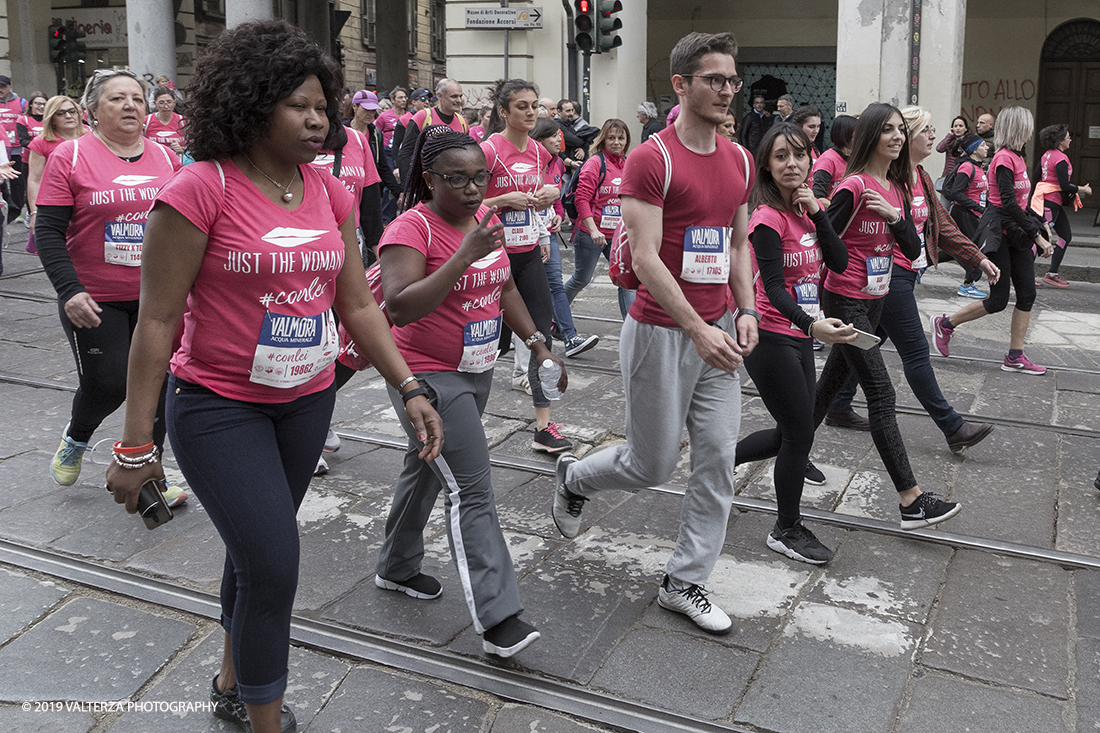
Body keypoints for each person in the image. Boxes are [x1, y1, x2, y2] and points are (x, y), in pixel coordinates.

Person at [104, 20, 442, 733]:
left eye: (324, 104)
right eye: (299, 104)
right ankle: (263, 719)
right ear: (253, 104)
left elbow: (355, 302)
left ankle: (231, 678)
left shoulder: (329, 192)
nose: (318, 118)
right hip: (218, 407)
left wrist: (410, 386)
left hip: (307, 402)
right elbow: (157, 323)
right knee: (275, 563)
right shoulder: (198, 190)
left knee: (255, 553)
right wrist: (137, 445)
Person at [553, 31, 758, 636]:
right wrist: (697, 328)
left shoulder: (741, 158)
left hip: (718, 331)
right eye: (714, 80)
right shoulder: (652, 159)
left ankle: (684, 581)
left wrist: (744, 309)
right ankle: (574, 477)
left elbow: (738, 243)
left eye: (732, 80)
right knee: (651, 465)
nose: (727, 90)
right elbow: (644, 259)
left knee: (719, 459)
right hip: (662, 333)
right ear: (681, 85)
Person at [375, 124, 562, 657]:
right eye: (458, 179)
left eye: (481, 177)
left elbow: (502, 286)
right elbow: (400, 305)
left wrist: (536, 343)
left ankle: (396, 566)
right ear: (430, 179)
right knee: (472, 487)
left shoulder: (484, 223)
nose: (475, 188)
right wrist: (463, 254)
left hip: (475, 367)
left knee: (427, 470)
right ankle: (499, 617)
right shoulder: (411, 229)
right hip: (423, 374)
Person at [35, 69, 185, 510]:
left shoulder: (165, 158)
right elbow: (47, 230)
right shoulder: (71, 155)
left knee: (160, 381)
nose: (130, 106)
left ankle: (148, 475)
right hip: (94, 297)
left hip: (158, 295)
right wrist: (69, 290)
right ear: (93, 110)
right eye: (117, 98)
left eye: (137, 98)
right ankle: (77, 437)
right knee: (109, 382)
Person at [813, 102, 961, 530]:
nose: (898, 137)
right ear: (871, 137)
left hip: (875, 300)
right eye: (889, 131)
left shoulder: (896, 188)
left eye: (901, 130)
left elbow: (913, 251)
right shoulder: (854, 187)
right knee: (882, 394)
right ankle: (911, 501)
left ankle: (783, 449)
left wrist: (896, 219)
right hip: (846, 303)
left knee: (828, 389)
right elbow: (825, 244)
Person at [824, 106, 1000, 455]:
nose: (933, 136)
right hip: (888, 274)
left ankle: (838, 405)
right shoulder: (885, 178)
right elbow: (831, 233)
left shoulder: (920, 176)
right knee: (916, 351)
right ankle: (952, 427)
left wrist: (977, 257)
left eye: (907, 131)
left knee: (863, 345)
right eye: (926, 130)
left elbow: (941, 226)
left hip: (905, 272)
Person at [736, 123, 856, 565]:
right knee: (800, 433)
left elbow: (839, 263)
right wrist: (812, 326)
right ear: (767, 164)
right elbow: (772, 286)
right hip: (770, 336)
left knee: (794, 430)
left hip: (801, 335)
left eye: (800, 155)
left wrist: (821, 214)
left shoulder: (805, 211)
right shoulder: (766, 218)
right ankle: (785, 528)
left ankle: (714, 466)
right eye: (781, 156)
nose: (792, 164)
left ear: (811, 159)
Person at [481, 79, 572, 453]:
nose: (532, 112)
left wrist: (551, 199)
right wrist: (502, 199)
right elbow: (465, 204)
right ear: (503, 112)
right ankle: (465, 417)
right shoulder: (487, 150)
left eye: (535, 106)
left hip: (529, 253)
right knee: (487, 343)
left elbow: (545, 196)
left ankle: (544, 426)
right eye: (522, 106)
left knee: (542, 340)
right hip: (491, 258)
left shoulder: (539, 151)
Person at [931, 106, 1054, 375]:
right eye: (1028, 124)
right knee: (998, 300)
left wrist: (1041, 225)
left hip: (1016, 234)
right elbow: (1007, 204)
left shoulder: (1019, 157)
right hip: (998, 232)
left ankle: (1015, 356)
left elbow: (1022, 204)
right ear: (1019, 127)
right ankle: (945, 323)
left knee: (1028, 294)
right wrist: (1038, 237)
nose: (1032, 130)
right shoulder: (1003, 159)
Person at [530, 118, 600, 356]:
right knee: (518, 291)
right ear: (539, 140)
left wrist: (559, 215)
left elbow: (557, 196)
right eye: (554, 137)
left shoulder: (558, 162)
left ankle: (570, 338)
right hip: (524, 236)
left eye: (560, 135)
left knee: (556, 286)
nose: (560, 140)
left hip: (548, 234)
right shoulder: (529, 162)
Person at [564, 117, 635, 319]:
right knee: (582, 279)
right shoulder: (594, 163)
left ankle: (631, 330)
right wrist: (594, 229)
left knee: (626, 281)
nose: (616, 142)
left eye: (621, 138)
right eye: (611, 137)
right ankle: (555, 315)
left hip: (618, 235)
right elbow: (581, 199)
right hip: (590, 233)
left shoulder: (628, 164)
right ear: (603, 140)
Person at [1033, 124, 1091, 287]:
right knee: (1040, 237)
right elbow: (1064, 185)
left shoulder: (1047, 155)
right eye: (1068, 137)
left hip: (1048, 201)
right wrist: (1083, 189)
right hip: (1051, 203)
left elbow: (1037, 176)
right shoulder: (1061, 159)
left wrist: (1046, 188)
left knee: (1066, 235)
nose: (1070, 140)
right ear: (1060, 141)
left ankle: (1052, 273)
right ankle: (1026, 274)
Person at [27, 96, 86, 256]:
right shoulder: (41, 142)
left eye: (72, 111)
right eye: (61, 113)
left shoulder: (93, 136)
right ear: (51, 118)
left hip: (88, 203)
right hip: (56, 205)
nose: (68, 116)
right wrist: (34, 213)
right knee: (58, 253)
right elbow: (34, 179)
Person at [944, 132, 991, 299]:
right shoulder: (967, 167)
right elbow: (956, 192)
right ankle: (967, 285)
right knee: (975, 250)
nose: (987, 147)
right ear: (974, 149)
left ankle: (923, 264)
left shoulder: (978, 167)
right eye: (983, 145)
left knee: (955, 248)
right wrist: (977, 207)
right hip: (964, 213)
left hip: (973, 213)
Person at [397, 79, 467, 186]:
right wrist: (406, 188)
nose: (459, 100)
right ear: (440, 96)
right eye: (454, 96)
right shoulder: (422, 117)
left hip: (454, 185)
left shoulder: (462, 122)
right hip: (425, 185)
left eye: (460, 96)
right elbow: (406, 154)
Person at [811, 114, 857, 210]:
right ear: (846, 135)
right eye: (857, 134)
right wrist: (838, 210)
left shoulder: (855, 158)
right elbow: (817, 197)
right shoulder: (828, 160)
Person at [0, 75, 26, 223]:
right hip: (0, 149)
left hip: (16, 148)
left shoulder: (21, 103)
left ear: (10, 87)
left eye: (3, 87)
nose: (0, 90)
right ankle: (7, 206)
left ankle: (18, 209)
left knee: (17, 181)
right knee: (2, 182)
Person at [144, 86, 186, 155]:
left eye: (169, 102)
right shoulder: (146, 121)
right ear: (155, 104)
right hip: (153, 162)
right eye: (161, 103)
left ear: (174, 102)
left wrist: (182, 149)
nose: (166, 107)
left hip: (176, 163)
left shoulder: (183, 121)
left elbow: (193, 147)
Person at [936, 115, 970, 183]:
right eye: (955, 126)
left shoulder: (969, 141)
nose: (958, 128)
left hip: (962, 176)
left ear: (966, 128)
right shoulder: (950, 140)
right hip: (948, 176)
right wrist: (949, 135)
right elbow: (939, 148)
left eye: (961, 126)